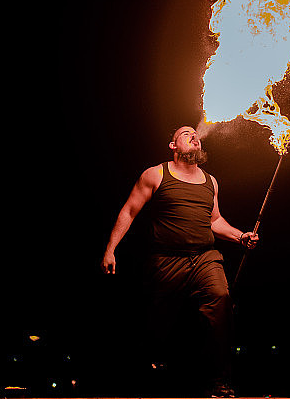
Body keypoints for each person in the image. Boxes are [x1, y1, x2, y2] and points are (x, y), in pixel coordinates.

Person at [101, 125, 259, 397]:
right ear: (173, 146)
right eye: (186, 134)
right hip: (166, 260)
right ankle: (143, 376)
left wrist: (239, 236)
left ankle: (220, 381)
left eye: (195, 134)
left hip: (204, 258)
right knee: (156, 323)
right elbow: (129, 211)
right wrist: (110, 249)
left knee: (220, 301)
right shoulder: (155, 174)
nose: (194, 136)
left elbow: (214, 221)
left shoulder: (211, 181)